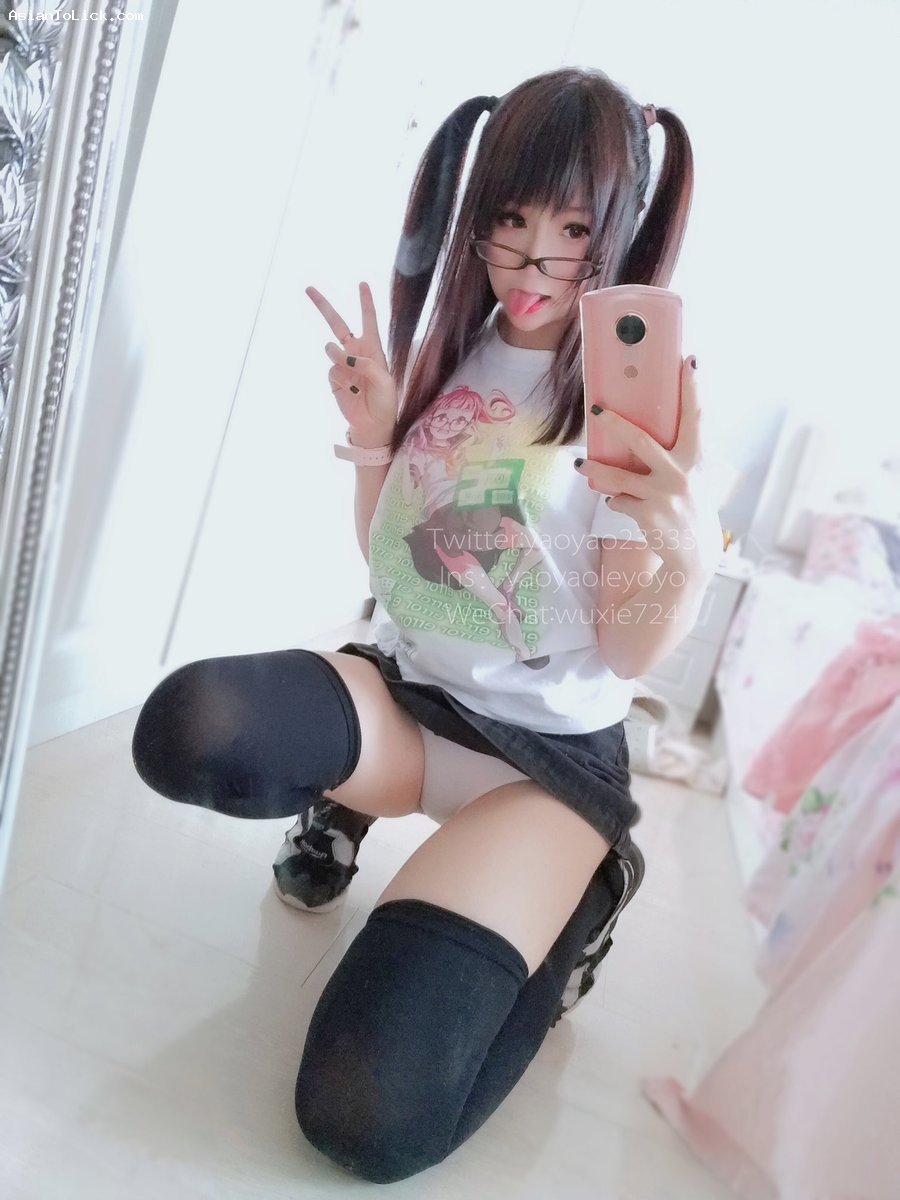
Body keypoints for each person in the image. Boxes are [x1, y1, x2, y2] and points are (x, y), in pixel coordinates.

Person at [131, 66, 722, 1184]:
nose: (532, 263)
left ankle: (579, 900)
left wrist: (686, 549)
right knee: (192, 726)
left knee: (367, 1112)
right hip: (410, 698)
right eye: (510, 221)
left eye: (573, 230)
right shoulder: (455, 345)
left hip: (543, 766)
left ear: (622, 231)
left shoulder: (637, 395)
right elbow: (397, 563)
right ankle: (348, 805)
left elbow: (629, 650)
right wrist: (374, 435)